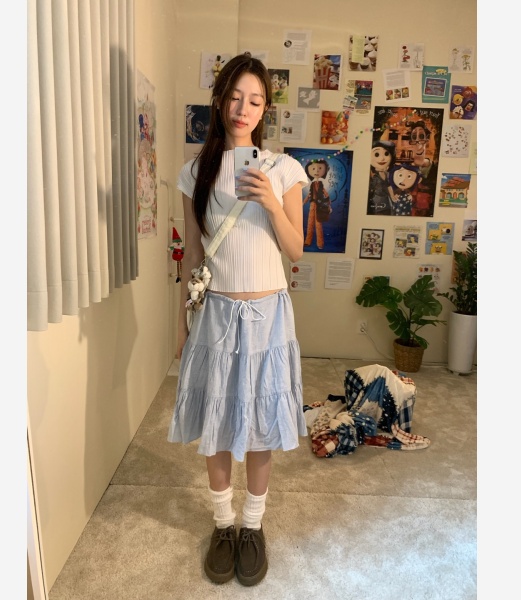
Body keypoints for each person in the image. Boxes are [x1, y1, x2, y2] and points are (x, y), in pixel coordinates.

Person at [167, 53, 309, 587]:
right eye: (234, 97)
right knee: (220, 421)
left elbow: (295, 249)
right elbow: (193, 258)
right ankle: (223, 524)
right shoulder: (194, 173)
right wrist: (181, 325)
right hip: (217, 314)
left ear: (265, 108)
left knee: (261, 423)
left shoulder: (284, 169)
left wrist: (271, 203)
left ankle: (253, 526)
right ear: (219, 100)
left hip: (269, 314)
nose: (243, 108)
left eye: (255, 100)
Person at [303, 159, 331, 249]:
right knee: (310, 224)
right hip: (312, 205)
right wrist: (304, 202)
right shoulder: (312, 184)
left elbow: (326, 194)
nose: (317, 171)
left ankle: (320, 243)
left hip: (319, 206)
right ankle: (307, 241)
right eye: (313, 169)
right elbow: (309, 194)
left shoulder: (321, 185)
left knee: (318, 224)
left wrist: (328, 205)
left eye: (320, 168)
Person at [367, 140, 395, 215]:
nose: (382, 158)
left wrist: (393, 196)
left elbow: (388, 185)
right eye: (377, 154)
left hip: (387, 204)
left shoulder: (386, 173)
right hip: (376, 205)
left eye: (386, 154)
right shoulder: (371, 174)